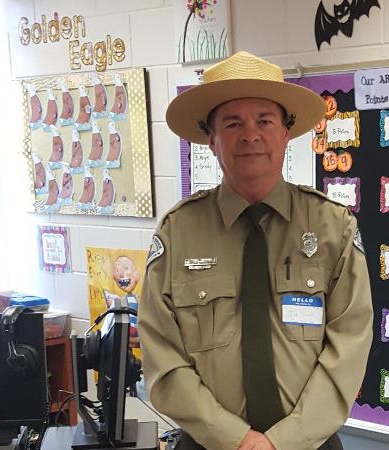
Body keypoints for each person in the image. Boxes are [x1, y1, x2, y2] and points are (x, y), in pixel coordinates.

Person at [140, 51, 373, 450]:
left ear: (286, 132)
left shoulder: (332, 227)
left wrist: (283, 441)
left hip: (309, 443)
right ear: (211, 140)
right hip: (209, 444)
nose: (251, 135)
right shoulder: (178, 233)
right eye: (233, 123)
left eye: (265, 121)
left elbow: (349, 346)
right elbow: (163, 359)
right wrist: (234, 439)